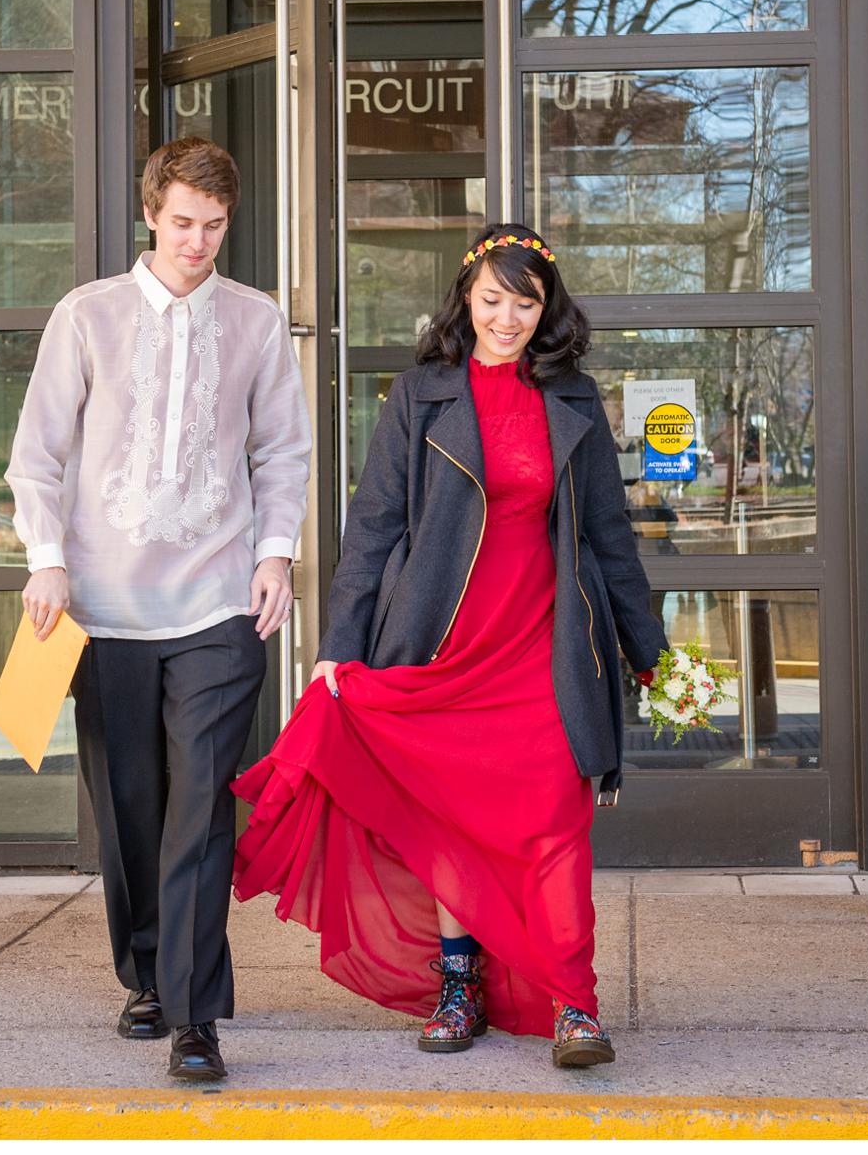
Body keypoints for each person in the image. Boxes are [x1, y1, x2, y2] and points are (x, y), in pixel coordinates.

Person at [231, 222, 666, 1069]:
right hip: (442, 649)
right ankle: (459, 986)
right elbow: (374, 529)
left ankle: (577, 1006)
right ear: (467, 299)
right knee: (452, 827)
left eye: (525, 301)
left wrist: (647, 648)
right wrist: (342, 644)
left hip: (543, 651)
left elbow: (611, 537)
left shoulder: (572, 399)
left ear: (549, 309)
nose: (507, 317)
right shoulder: (421, 393)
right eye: (493, 298)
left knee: (555, 825)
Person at [6, 136, 310, 1084]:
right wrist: (47, 562)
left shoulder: (256, 322)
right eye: (184, 222)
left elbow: (282, 454)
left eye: (215, 226)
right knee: (130, 805)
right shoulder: (86, 316)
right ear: (151, 214)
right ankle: (144, 972)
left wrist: (275, 554)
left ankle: (193, 1014)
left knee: (201, 812)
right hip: (101, 606)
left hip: (220, 604)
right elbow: (38, 456)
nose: (199, 241)